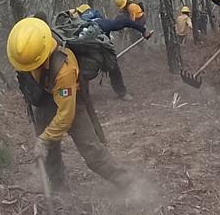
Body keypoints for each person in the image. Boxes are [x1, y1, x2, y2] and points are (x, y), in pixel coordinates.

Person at [7, 17, 135, 191]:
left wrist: (44, 139)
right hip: (45, 98)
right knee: (50, 152)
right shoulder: (28, 43)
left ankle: (128, 184)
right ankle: (58, 187)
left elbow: (65, 115)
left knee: (92, 151)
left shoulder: (64, 69)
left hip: (72, 101)